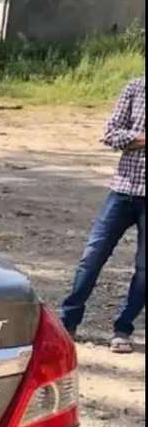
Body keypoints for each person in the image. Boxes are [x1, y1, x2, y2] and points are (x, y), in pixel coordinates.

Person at [61, 76, 145, 352]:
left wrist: (132, 139)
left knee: (145, 270)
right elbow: (110, 133)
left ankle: (123, 329)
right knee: (91, 257)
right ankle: (68, 322)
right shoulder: (136, 87)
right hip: (123, 189)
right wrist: (140, 138)